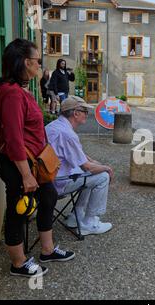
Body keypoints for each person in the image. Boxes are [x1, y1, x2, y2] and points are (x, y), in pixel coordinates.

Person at [0, 39, 75, 278]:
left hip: (33, 161)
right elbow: (14, 138)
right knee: (18, 211)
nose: (40, 66)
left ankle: (47, 250)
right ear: (25, 62)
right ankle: (18, 263)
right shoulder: (11, 94)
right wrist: (26, 174)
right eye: (37, 61)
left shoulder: (18, 91)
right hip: (18, 163)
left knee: (48, 195)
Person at [45, 96, 113, 235]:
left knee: (90, 174)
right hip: (57, 182)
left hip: (47, 178)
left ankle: (75, 216)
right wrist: (107, 168)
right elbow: (86, 167)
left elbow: (77, 154)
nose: (87, 114)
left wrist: (94, 162)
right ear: (75, 113)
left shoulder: (53, 126)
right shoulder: (68, 134)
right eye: (84, 111)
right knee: (102, 176)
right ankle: (89, 222)